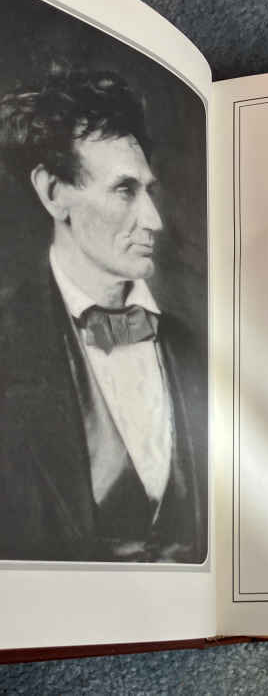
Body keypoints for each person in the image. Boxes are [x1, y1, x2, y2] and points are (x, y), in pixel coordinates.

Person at [0, 69, 207, 563]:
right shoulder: (8, 341)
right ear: (54, 193)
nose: (154, 221)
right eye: (124, 190)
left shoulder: (190, 346)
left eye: (148, 190)